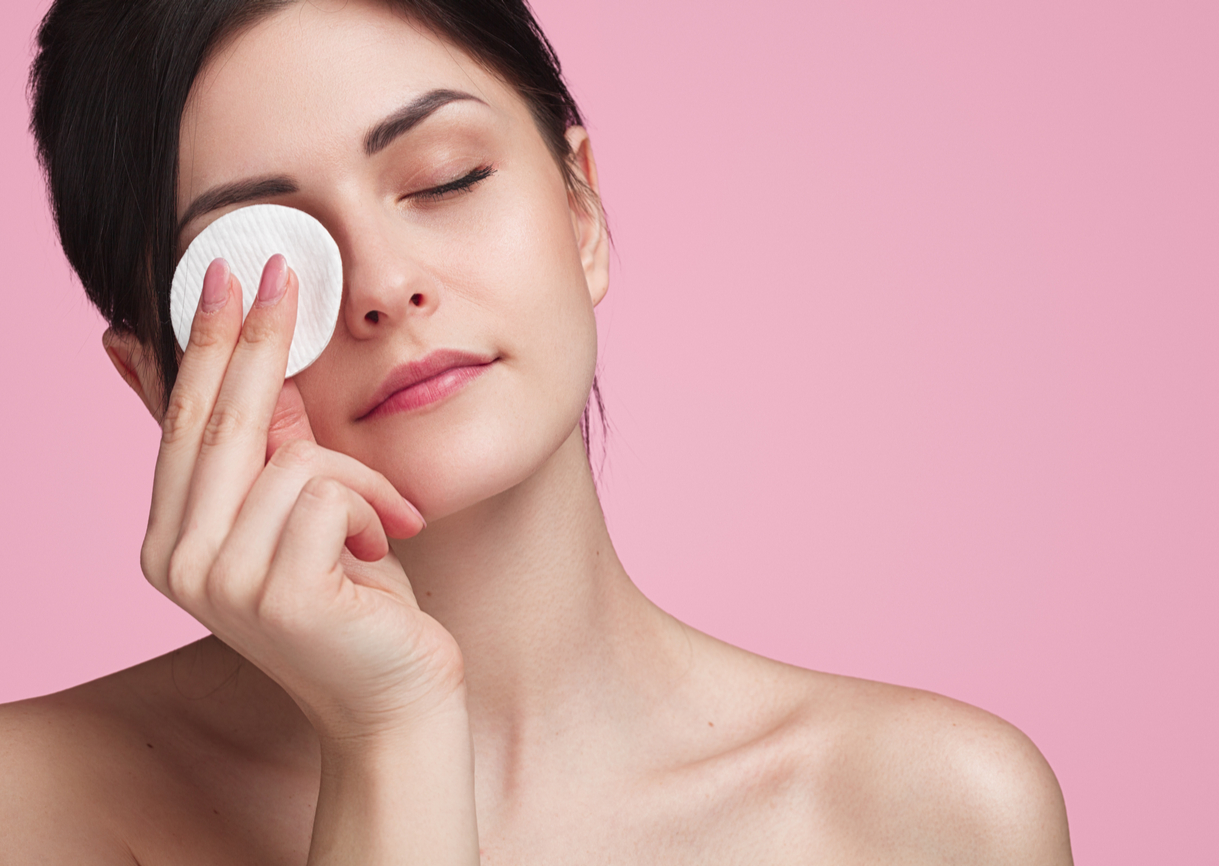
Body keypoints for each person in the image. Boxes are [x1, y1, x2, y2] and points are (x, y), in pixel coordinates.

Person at [1, 0, 1072, 862]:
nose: (385, 286)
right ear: (158, 379)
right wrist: (392, 740)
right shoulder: (33, 808)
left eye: (444, 178)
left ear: (581, 211)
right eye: (264, 261)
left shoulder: (931, 815)